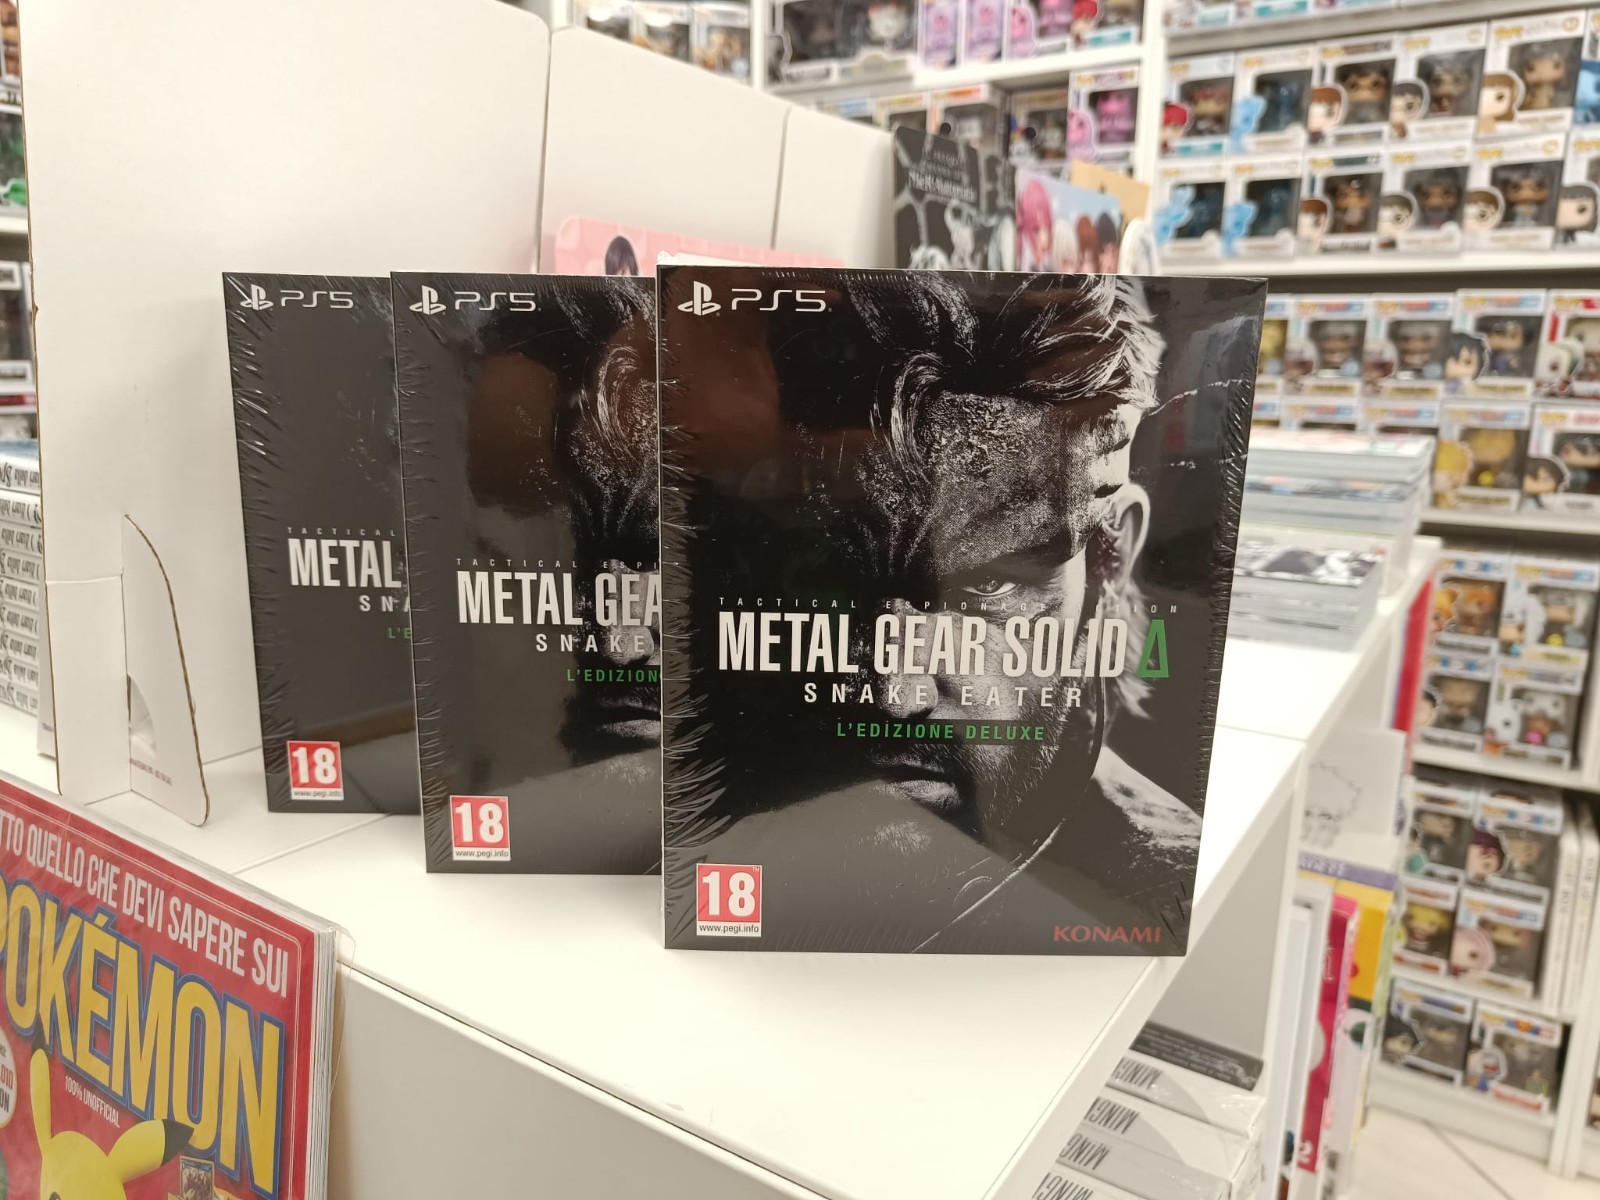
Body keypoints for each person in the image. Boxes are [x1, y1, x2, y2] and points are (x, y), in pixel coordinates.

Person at [668, 272, 1257, 951]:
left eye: (988, 589)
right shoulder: (709, 818)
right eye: (832, 581)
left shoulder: (1151, 888)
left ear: (1110, 555)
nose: (895, 694)